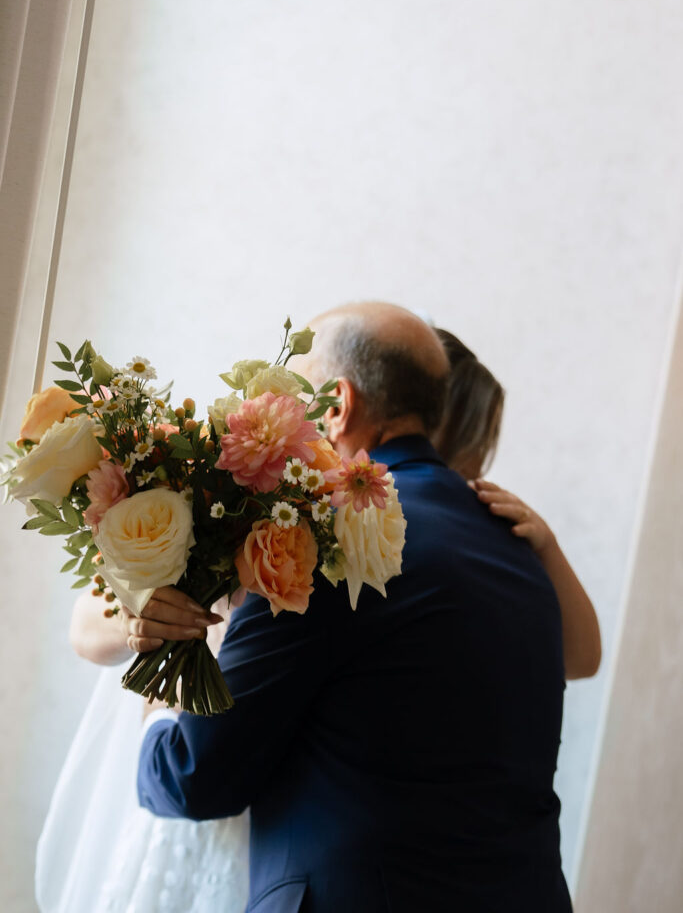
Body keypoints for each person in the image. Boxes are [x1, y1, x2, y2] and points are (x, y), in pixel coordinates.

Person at [131, 301, 573, 912]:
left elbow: (195, 777)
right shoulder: (521, 548)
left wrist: (157, 708)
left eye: (295, 401)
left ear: (337, 405)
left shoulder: (321, 537)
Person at [35, 590, 249, 913]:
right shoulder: (169, 557)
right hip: (163, 764)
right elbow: (83, 626)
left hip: (251, 788)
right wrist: (135, 622)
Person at [433, 328, 601, 680]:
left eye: (486, 442)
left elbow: (583, 660)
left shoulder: (492, 523)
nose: (479, 465)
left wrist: (548, 545)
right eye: (479, 441)